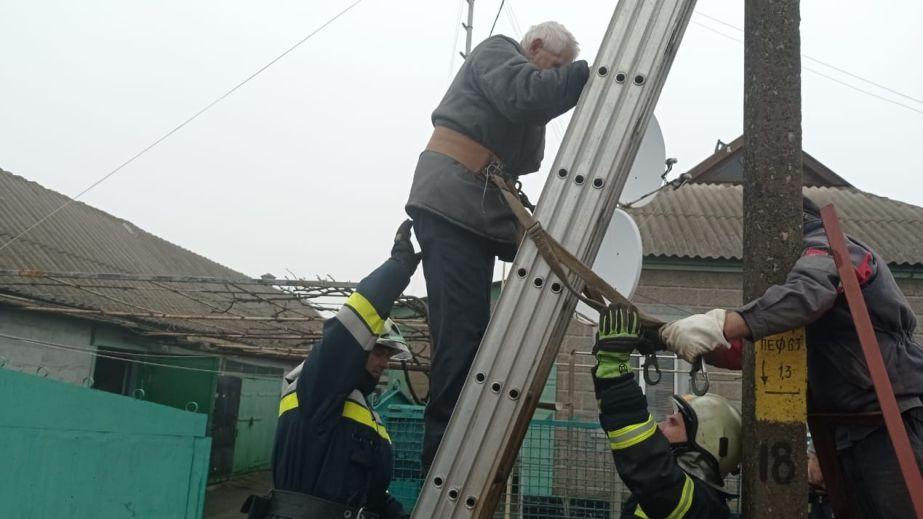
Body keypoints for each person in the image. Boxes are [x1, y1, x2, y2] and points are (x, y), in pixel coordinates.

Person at [659, 195, 923, 518]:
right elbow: (754, 350)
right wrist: (686, 340)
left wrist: (722, 324)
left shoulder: (829, 247)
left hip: (894, 413)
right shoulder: (799, 286)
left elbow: (808, 293)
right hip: (849, 426)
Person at [405, 21, 591, 471]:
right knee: (461, 334)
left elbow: (529, 158)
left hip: (476, 211)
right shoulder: (496, 51)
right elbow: (529, 95)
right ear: (536, 45)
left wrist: (550, 91)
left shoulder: (518, 88)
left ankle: (455, 448)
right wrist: (592, 73)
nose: (556, 76)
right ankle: (442, 460)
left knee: (473, 332)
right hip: (453, 205)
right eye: (556, 66)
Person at [242, 221, 420, 519]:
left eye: (388, 355)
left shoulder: (363, 412)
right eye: (378, 351)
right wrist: (397, 270)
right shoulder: (317, 388)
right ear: (360, 349)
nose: (384, 362)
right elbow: (347, 330)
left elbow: (374, 498)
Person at [593, 304, 742, 518]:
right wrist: (606, 375)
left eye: (673, 422)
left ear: (705, 439)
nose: (660, 427)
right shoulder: (692, 497)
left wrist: (615, 372)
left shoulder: (700, 507)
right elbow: (621, 428)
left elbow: (645, 459)